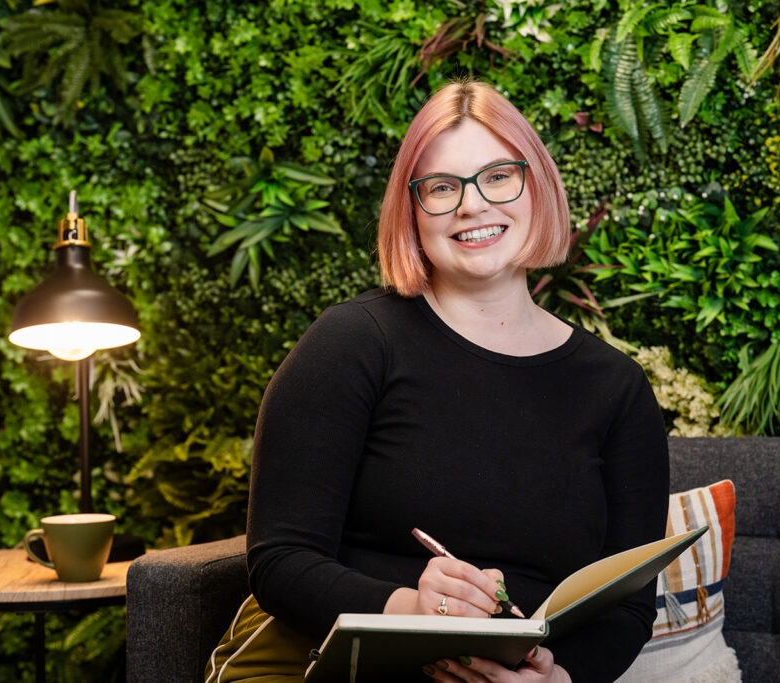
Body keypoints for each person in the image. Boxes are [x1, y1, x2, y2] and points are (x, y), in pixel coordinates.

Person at [207, 79, 669, 683]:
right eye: (442, 188)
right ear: (412, 211)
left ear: (538, 187)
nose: (472, 205)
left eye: (498, 176)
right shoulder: (352, 343)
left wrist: (558, 677)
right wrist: (416, 614)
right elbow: (280, 561)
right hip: (337, 666)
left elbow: (628, 608)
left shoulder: (618, 388)